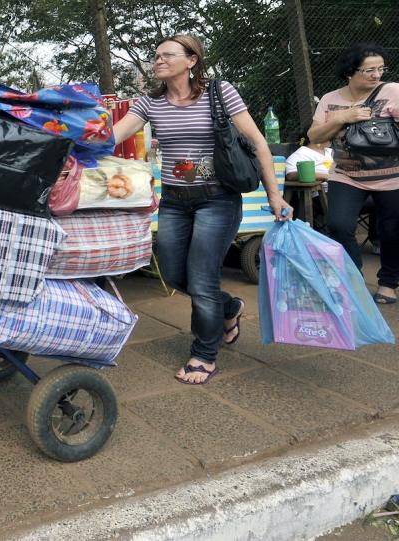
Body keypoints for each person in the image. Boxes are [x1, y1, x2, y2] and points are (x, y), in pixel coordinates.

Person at [112, 35, 291, 384]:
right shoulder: (150, 103)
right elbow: (111, 135)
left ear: (192, 60)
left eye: (167, 55)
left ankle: (204, 354)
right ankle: (229, 308)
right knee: (175, 273)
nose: (158, 61)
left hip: (217, 198)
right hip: (176, 200)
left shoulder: (219, 94)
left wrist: (275, 195)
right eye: (156, 56)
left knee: (203, 278)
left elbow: (258, 142)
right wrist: (66, 135)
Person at [308, 41, 399, 305]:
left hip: (392, 175)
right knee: (338, 224)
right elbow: (315, 136)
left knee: (393, 231)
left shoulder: (393, 91)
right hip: (346, 175)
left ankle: (389, 283)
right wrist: (341, 118)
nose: (376, 75)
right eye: (369, 70)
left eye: (380, 69)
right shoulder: (330, 99)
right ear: (351, 71)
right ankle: (354, 279)